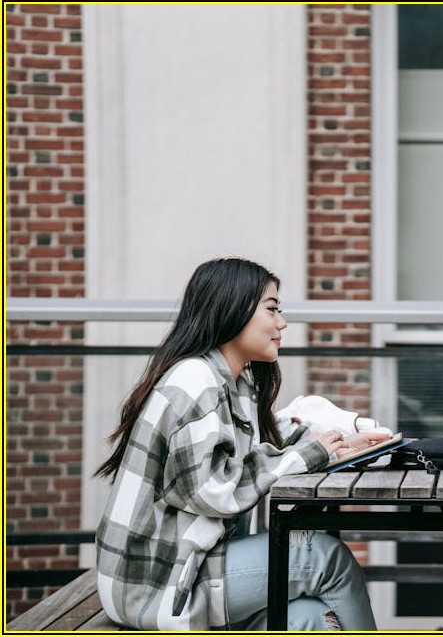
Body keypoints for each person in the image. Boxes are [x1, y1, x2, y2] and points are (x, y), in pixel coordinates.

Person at [94, 258, 389, 630]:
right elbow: (212, 489)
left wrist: (337, 444)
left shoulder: (235, 382)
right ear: (233, 309)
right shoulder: (194, 380)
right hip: (154, 585)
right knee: (327, 559)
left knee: (314, 618)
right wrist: (310, 453)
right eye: (272, 309)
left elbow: (260, 449)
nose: (282, 323)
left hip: (185, 567)